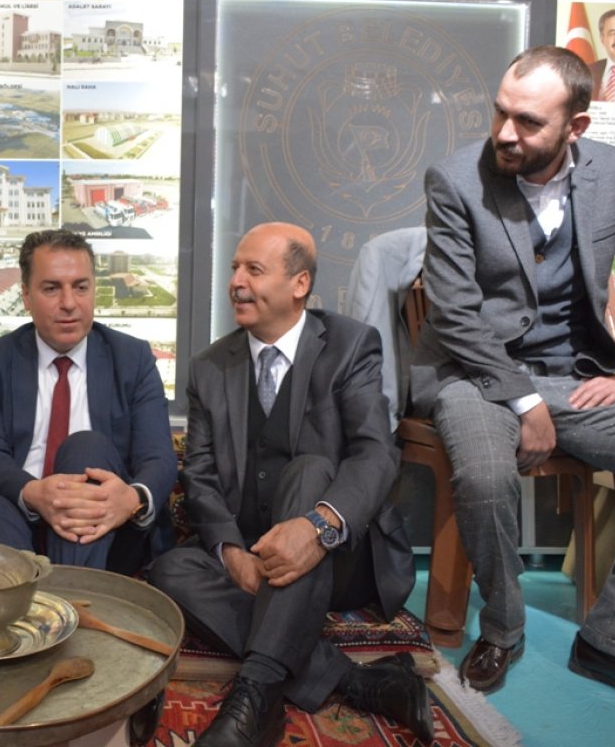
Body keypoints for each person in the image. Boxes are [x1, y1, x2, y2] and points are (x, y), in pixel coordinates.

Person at [413, 45, 615, 716]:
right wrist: (525, 402)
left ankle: (613, 640)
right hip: (474, 372)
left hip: (573, 376)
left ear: (575, 127)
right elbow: (456, 314)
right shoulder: (457, 179)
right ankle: (503, 627)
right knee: (485, 476)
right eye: (500, 112)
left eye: (528, 122)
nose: (505, 133)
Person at [149, 223, 430, 747]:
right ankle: (360, 682)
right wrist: (233, 553)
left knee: (311, 470)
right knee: (169, 571)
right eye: (235, 268)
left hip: (337, 558)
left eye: (253, 270)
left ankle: (254, 696)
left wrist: (317, 528)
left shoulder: (350, 345)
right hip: (255, 558)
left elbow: (376, 453)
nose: (236, 281)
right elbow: (200, 474)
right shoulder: (209, 367)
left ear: (300, 283)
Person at [0, 229, 177, 573]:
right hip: (19, 519)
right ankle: (59, 599)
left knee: (86, 448)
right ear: (26, 295)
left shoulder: (132, 358)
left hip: (107, 531)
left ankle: (66, 594)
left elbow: (158, 457)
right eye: (51, 288)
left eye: (81, 287)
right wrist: (35, 493)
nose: (69, 303)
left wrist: (130, 499)